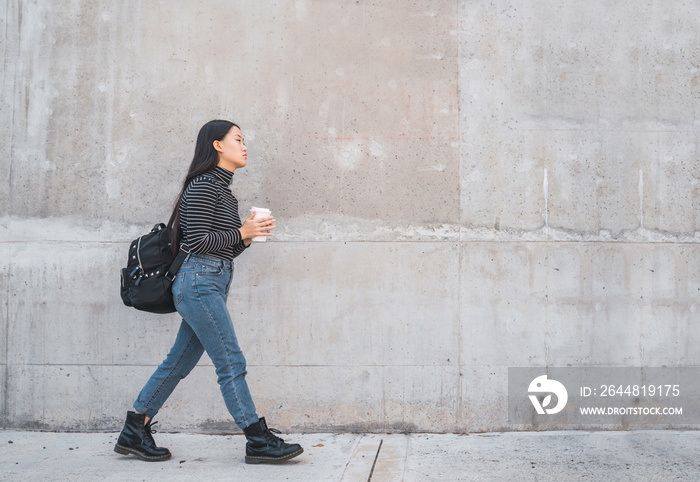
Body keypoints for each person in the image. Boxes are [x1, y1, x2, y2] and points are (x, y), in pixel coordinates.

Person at [114, 120, 303, 464]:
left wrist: (247, 235)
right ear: (217, 145)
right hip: (199, 284)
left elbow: (224, 249)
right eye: (239, 139)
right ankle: (257, 439)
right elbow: (197, 241)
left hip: (209, 281)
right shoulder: (203, 185)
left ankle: (134, 429)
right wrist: (240, 231)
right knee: (230, 361)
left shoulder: (222, 190)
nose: (245, 146)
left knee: (178, 362)